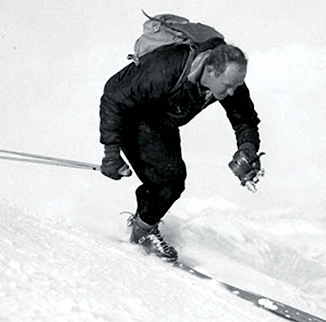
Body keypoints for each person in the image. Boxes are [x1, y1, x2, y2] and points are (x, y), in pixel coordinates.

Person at [99, 37, 262, 262]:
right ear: (211, 70)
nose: (233, 92)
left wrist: (248, 147)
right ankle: (141, 235)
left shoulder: (227, 81)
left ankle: (143, 226)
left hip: (162, 121)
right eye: (228, 86)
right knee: (170, 179)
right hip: (132, 116)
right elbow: (113, 96)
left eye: (236, 85)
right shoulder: (166, 68)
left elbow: (245, 118)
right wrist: (111, 152)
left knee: (171, 181)